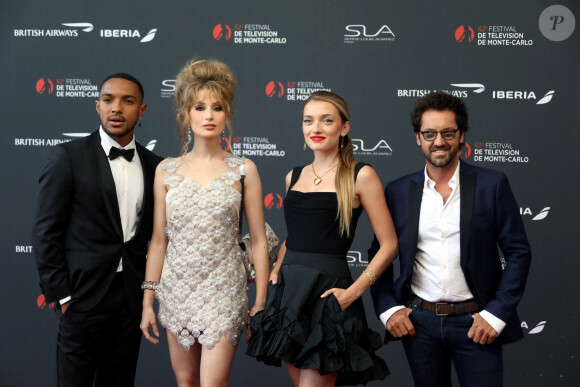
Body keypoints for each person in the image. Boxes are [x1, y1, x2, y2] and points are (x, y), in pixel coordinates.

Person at [368, 91, 532, 386]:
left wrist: (496, 314)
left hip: (477, 322)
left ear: (462, 135)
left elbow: (519, 252)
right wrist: (389, 308)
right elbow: (379, 253)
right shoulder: (398, 191)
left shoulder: (492, 185)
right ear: (418, 137)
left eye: (447, 133)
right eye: (429, 133)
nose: (439, 141)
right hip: (420, 325)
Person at [247, 91, 398, 386]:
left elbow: (389, 244)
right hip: (289, 295)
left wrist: (353, 292)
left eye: (326, 121)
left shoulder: (361, 175)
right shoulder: (294, 176)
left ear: (344, 127)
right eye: (308, 121)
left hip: (329, 294)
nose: (315, 128)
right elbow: (296, 236)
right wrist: (276, 269)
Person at [139, 59, 269, 387]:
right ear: (186, 113)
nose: (209, 115)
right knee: (186, 382)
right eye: (200, 107)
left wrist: (260, 301)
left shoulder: (243, 169)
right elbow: (158, 240)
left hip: (224, 290)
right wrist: (148, 301)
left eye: (217, 107)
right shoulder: (166, 170)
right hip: (177, 288)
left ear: (227, 115)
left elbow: (258, 240)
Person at [33, 73, 163, 386]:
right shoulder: (68, 157)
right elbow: (45, 232)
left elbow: (158, 237)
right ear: (98, 106)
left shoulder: (156, 165)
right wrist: (63, 296)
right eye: (108, 100)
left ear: (141, 110)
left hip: (130, 301)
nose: (116, 107)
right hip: (81, 297)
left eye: (127, 101)